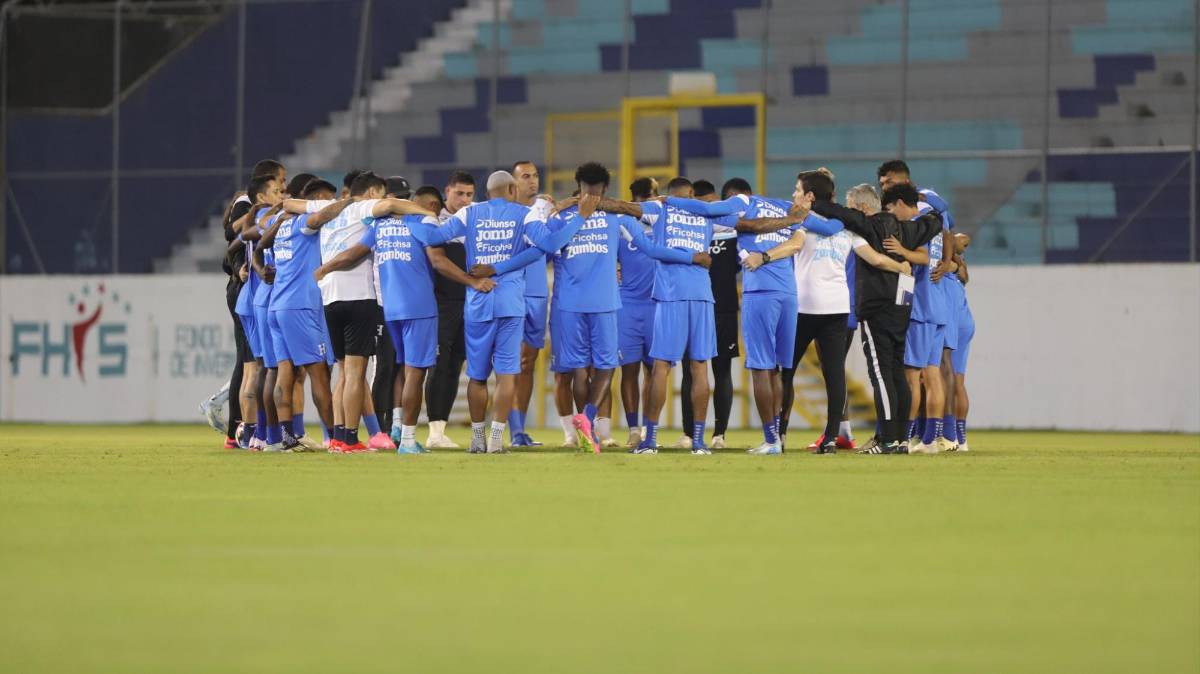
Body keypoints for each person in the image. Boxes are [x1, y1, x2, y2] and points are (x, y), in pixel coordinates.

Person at [497, 163, 707, 452]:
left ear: (579, 184)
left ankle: (586, 427)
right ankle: (588, 419)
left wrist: (561, 209)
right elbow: (651, 249)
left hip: (569, 306)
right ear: (605, 188)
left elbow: (543, 242)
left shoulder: (561, 216)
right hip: (606, 303)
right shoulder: (615, 217)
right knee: (606, 367)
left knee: (580, 371)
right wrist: (690, 257)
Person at [314, 188, 485, 453]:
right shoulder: (426, 221)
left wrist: (325, 268)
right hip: (419, 307)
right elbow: (438, 262)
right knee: (416, 374)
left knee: (401, 371)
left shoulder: (381, 225)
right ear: (428, 205)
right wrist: (471, 281)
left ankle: (395, 427)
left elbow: (352, 254)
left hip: (390, 308)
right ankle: (406, 440)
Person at [432, 171, 584, 453]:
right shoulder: (524, 215)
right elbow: (548, 246)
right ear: (512, 189)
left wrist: (416, 217)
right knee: (506, 374)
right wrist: (581, 218)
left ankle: (477, 438)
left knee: (477, 376)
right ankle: (496, 440)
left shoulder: (470, 213)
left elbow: (434, 235)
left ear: (487, 192)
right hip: (511, 304)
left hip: (478, 302)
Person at [596, 177, 735, 454]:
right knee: (699, 367)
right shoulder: (706, 214)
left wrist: (588, 200)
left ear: (667, 195)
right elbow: (738, 217)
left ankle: (650, 439)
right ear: (692, 193)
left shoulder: (660, 210)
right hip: (702, 295)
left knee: (661, 367)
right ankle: (698, 441)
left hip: (671, 295)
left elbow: (623, 207)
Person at [809, 183, 947, 454]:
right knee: (897, 372)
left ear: (861, 208)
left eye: (852, 206)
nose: (848, 211)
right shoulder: (908, 228)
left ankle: (887, 440)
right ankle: (901, 439)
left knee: (880, 375)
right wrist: (926, 201)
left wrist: (813, 201)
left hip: (875, 309)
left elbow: (835, 211)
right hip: (901, 307)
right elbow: (936, 220)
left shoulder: (866, 224)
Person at [312, 171, 431, 451]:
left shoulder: (330, 215)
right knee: (356, 373)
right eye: (381, 193)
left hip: (330, 297)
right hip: (359, 297)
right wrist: (423, 211)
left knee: (343, 373)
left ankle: (338, 436)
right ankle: (351, 437)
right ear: (371, 193)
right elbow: (390, 206)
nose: (383, 200)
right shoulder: (363, 208)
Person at [255, 182, 350, 451]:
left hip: (277, 306)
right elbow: (320, 216)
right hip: (299, 307)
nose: (331, 203)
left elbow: (261, 232)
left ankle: (286, 437)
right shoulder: (301, 222)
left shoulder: (279, 222)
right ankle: (335, 439)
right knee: (319, 374)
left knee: (285, 372)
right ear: (317, 199)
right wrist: (348, 202)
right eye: (328, 199)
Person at [676, 179, 739, 450]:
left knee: (722, 370)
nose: (710, 209)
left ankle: (719, 434)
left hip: (723, 307)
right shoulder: (684, 231)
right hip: (691, 305)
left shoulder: (732, 229)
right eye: (706, 204)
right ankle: (689, 433)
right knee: (690, 372)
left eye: (714, 204)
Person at [423, 173, 475, 449]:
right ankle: (432, 430)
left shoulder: (473, 223)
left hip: (469, 304)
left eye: (469, 195)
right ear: (447, 192)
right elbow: (438, 263)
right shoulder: (436, 222)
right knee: (439, 365)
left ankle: (440, 430)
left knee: (456, 365)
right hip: (441, 304)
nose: (465, 200)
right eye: (460, 194)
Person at [616, 177, 660, 447]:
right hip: (631, 305)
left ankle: (645, 430)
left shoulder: (664, 220)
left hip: (654, 304)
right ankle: (636, 429)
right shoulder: (621, 222)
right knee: (632, 370)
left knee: (653, 371)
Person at [509, 160, 548, 447]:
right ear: (513, 183)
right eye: (525, 177)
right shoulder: (507, 213)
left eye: (534, 176)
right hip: (513, 293)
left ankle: (520, 430)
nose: (532, 181)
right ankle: (510, 427)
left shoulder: (545, 212)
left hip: (538, 294)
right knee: (511, 362)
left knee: (529, 362)